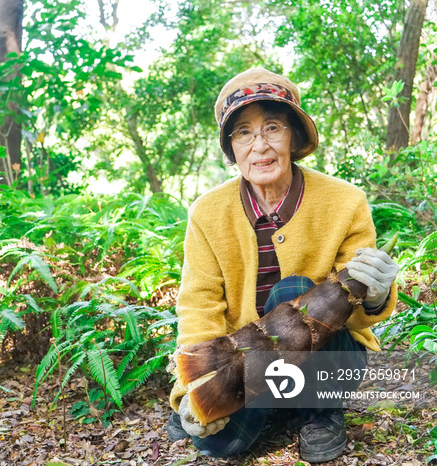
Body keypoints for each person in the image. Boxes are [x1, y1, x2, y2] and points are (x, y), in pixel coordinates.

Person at [166, 68, 399, 463]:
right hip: (249, 357)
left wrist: (375, 296)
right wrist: (195, 383)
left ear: (292, 136)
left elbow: (359, 311)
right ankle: (272, 404)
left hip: (331, 358)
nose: (260, 146)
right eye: (243, 132)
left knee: (290, 292)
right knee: (218, 443)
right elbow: (199, 303)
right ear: (232, 148)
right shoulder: (207, 212)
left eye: (272, 127)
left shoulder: (345, 201)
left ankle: (319, 412)